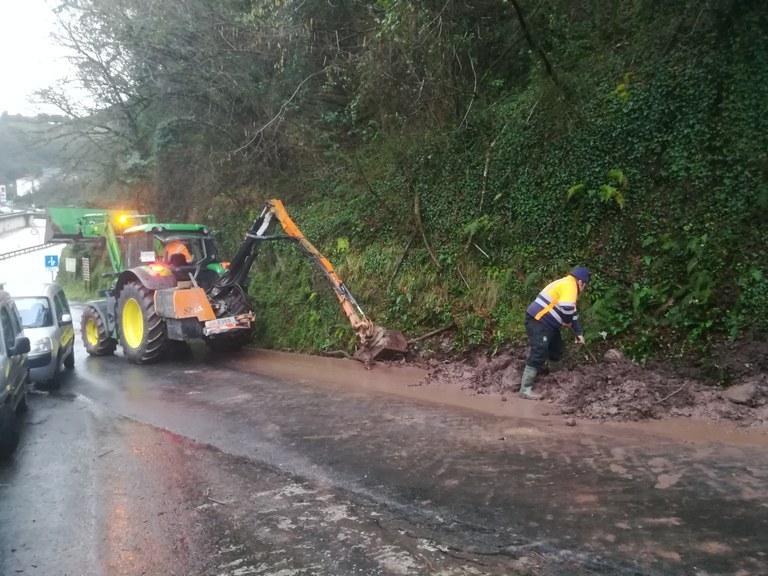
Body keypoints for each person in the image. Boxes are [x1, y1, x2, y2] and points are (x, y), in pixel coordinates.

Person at [519, 266, 591, 400]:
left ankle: (557, 377)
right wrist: (567, 321)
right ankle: (525, 389)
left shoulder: (566, 284)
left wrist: (579, 333)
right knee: (539, 350)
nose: (583, 289)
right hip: (538, 321)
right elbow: (567, 309)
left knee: (556, 349)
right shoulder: (570, 286)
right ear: (581, 282)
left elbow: (572, 313)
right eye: (584, 286)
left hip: (549, 325)